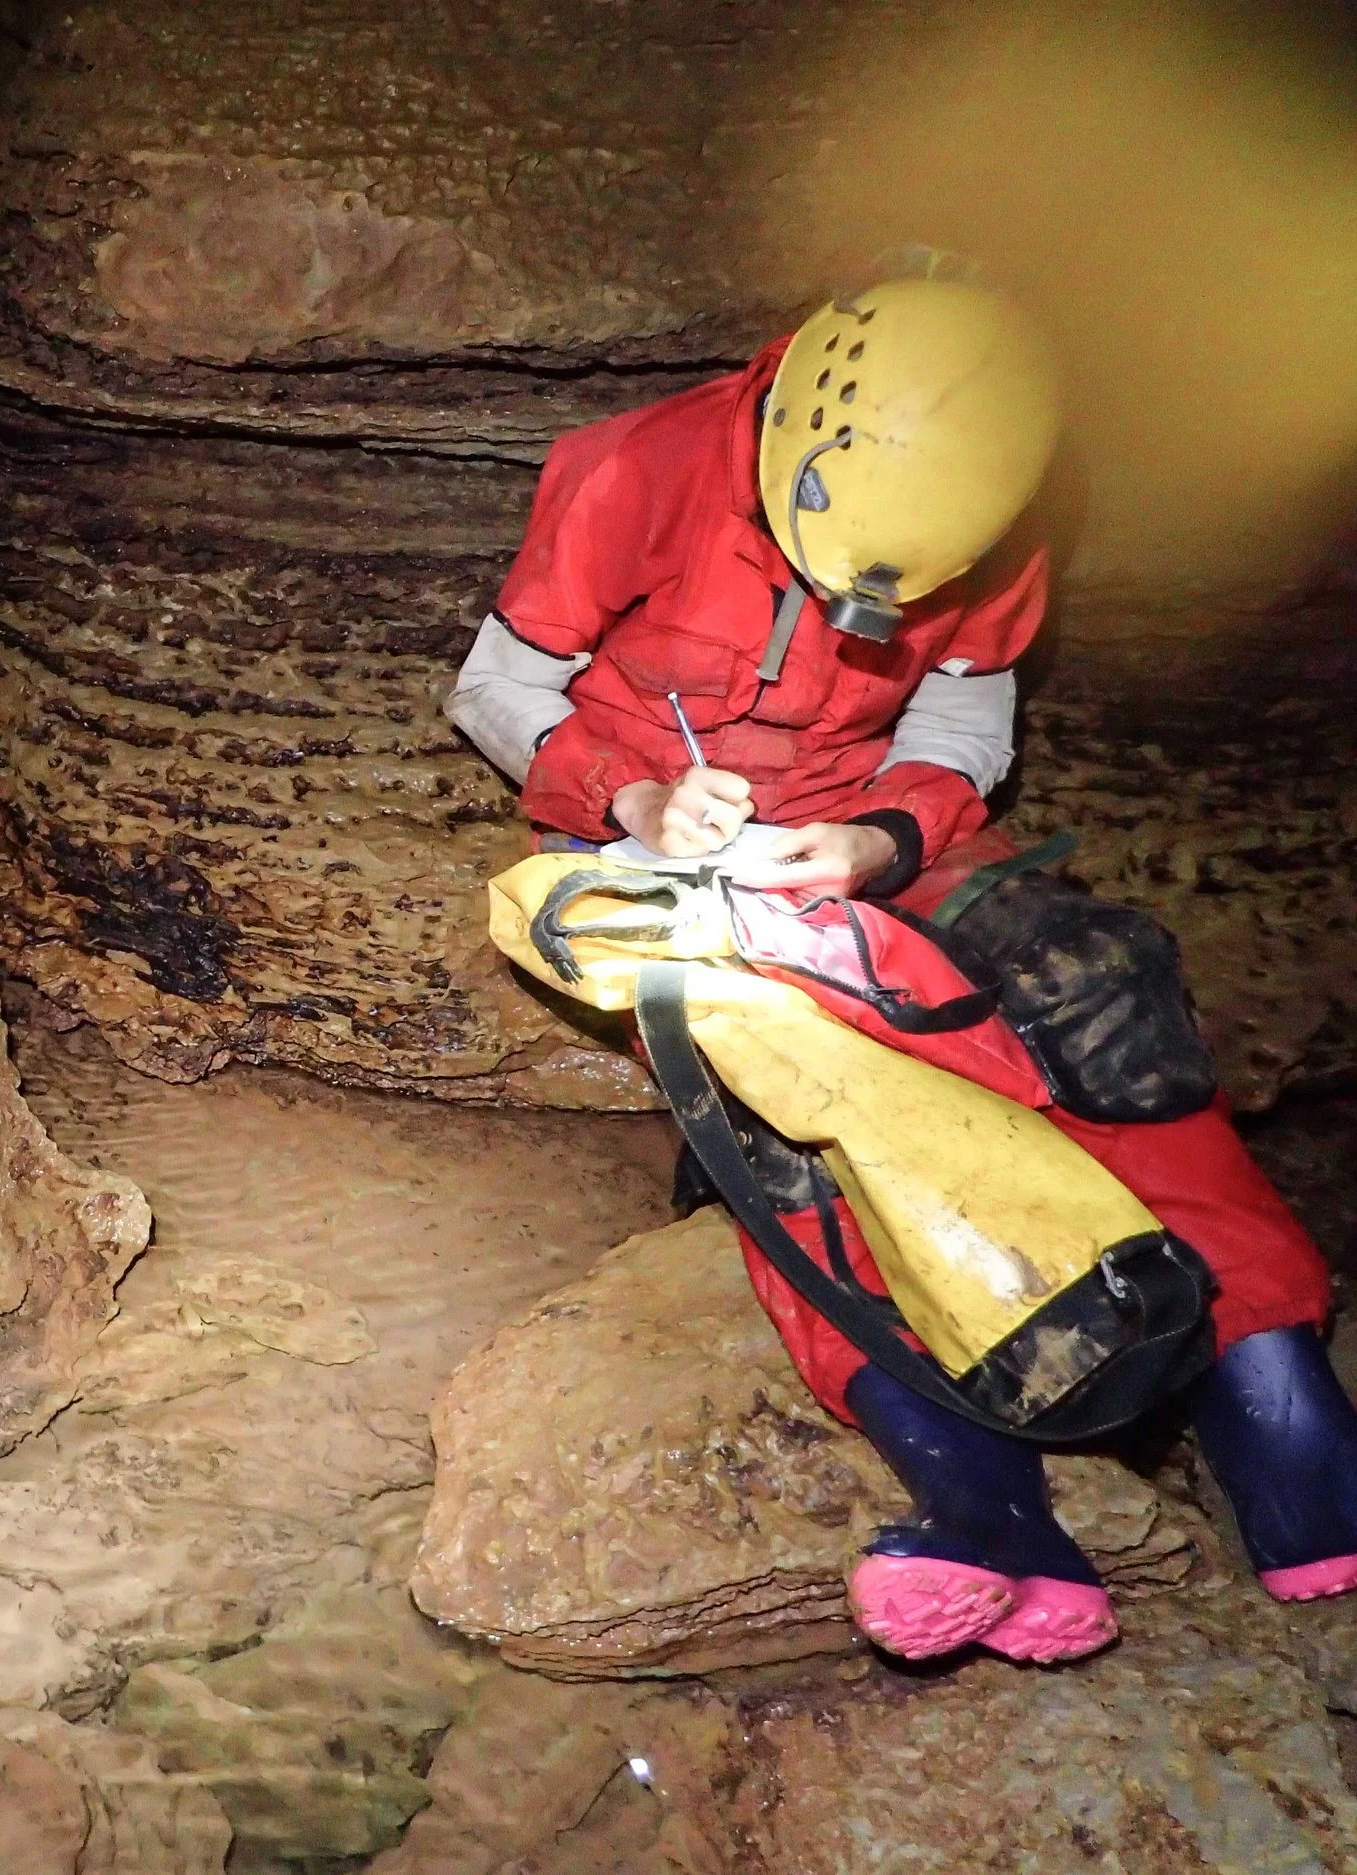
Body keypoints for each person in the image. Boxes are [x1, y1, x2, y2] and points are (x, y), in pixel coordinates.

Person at [447, 272, 1357, 1663]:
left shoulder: (994, 494)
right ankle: (988, 1502)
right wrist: (631, 797)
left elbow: (966, 708)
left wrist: (880, 837)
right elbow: (494, 687)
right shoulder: (641, 467)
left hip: (862, 830)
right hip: (657, 830)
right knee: (802, 1077)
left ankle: (1279, 1401)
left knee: (1100, 991)